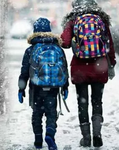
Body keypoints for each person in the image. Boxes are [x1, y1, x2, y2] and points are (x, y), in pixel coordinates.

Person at [61, 0, 116, 147]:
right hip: (99, 66)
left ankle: (86, 138)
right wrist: (112, 64)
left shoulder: (73, 20)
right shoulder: (101, 19)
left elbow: (65, 42)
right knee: (97, 101)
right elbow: (109, 44)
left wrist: (73, 40)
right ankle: (97, 134)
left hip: (80, 69)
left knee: (82, 103)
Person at [18, 17, 69, 150]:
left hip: (36, 88)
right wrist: (65, 86)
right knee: (51, 113)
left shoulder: (31, 49)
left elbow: (24, 71)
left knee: (37, 114)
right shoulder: (57, 48)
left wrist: (21, 89)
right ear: (49, 30)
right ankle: (50, 135)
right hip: (53, 87)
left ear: (35, 30)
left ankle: (38, 140)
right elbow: (64, 67)